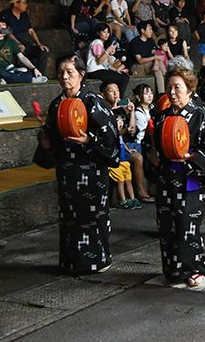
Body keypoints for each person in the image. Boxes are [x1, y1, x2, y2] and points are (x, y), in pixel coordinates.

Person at [42, 54, 119, 274]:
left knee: (93, 217)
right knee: (69, 219)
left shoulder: (93, 102)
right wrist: (46, 140)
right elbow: (51, 137)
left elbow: (110, 137)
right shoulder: (57, 104)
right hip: (68, 172)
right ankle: (72, 262)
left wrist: (89, 140)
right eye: (61, 72)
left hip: (92, 171)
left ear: (81, 75)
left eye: (70, 72)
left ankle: (98, 261)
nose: (64, 77)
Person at [151, 66, 205, 287]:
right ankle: (172, 269)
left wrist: (191, 157)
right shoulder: (162, 116)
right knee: (166, 223)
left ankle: (193, 268)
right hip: (166, 178)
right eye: (169, 87)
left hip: (190, 178)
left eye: (177, 88)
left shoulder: (199, 116)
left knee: (187, 223)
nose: (172, 92)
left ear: (190, 90)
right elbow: (152, 146)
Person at [0, 0, 49, 75]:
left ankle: (39, 75)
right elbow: (6, 32)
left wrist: (39, 44)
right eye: (24, 3)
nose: (26, 5)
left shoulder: (24, 15)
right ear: (15, 4)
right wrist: (18, 44)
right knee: (19, 54)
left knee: (43, 51)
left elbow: (31, 31)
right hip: (11, 44)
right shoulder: (4, 15)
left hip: (25, 44)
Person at [109, 110, 142, 210]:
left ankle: (132, 199)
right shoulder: (112, 133)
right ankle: (123, 200)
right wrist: (126, 130)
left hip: (124, 162)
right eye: (117, 119)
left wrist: (129, 150)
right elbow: (119, 132)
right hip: (116, 163)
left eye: (122, 119)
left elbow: (122, 143)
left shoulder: (120, 136)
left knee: (128, 180)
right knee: (120, 181)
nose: (120, 122)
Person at [0, 17, 47, 84]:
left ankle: (7, 80)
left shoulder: (11, 42)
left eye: (3, 24)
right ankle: (31, 80)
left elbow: (22, 57)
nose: (0, 27)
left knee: (28, 72)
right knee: (1, 72)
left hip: (9, 70)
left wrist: (34, 69)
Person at [86, 23, 129, 96]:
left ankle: (110, 98)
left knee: (121, 76)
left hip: (99, 71)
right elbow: (99, 61)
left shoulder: (101, 44)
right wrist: (108, 51)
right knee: (124, 78)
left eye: (108, 32)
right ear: (98, 33)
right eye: (104, 32)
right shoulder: (97, 42)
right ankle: (119, 100)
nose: (107, 34)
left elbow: (106, 65)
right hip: (94, 71)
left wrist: (117, 70)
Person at [129, 20, 166, 93]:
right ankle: (167, 75)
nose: (151, 31)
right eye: (149, 29)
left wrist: (155, 62)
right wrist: (155, 58)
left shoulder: (150, 41)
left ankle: (162, 95)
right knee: (159, 64)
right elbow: (140, 60)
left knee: (158, 71)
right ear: (142, 30)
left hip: (149, 65)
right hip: (136, 67)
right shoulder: (135, 42)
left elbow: (154, 53)